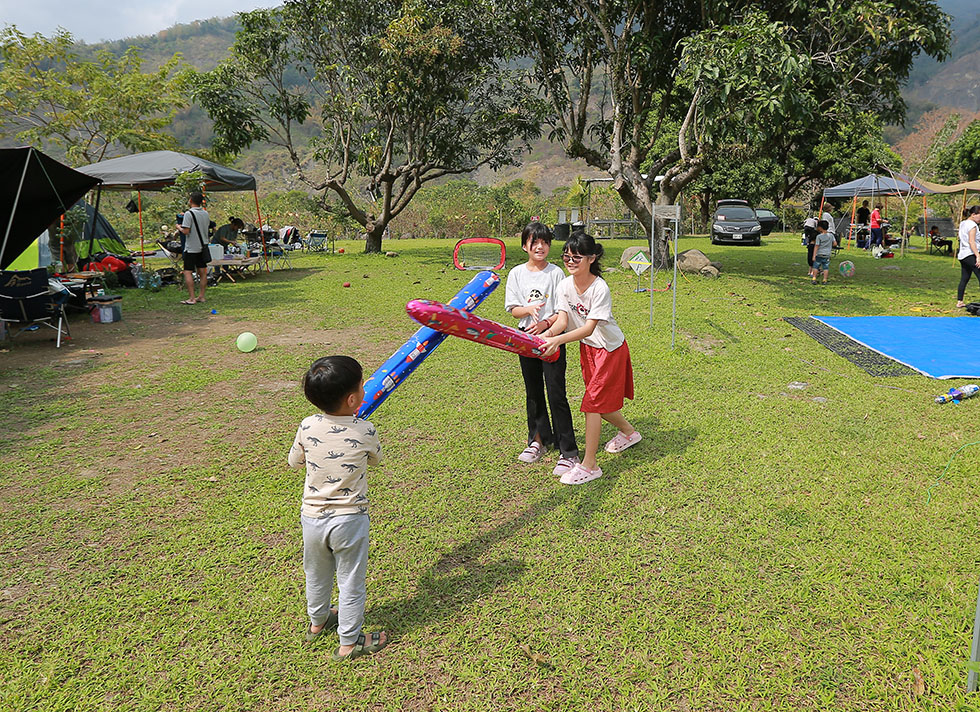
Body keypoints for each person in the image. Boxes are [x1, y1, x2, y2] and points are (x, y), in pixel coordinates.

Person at [288, 355, 388, 661]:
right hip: (349, 520)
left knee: (316, 574)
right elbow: (376, 459)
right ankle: (348, 642)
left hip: (312, 519)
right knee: (350, 580)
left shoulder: (306, 426)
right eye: (362, 383)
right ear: (352, 398)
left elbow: (294, 461)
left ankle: (318, 623)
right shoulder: (365, 430)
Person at [540, 231, 639, 485]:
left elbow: (588, 328)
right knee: (600, 405)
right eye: (567, 256)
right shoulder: (564, 285)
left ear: (591, 258)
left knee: (592, 404)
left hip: (610, 350)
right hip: (589, 350)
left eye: (577, 257)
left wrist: (558, 340)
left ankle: (590, 465)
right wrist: (547, 336)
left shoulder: (599, 288)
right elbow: (563, 320)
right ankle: (629, 433)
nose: (570, 261)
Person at [504, 222, 579, 475]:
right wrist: (528, 310)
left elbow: (562, 312)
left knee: (556, 392)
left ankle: (568, 451)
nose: (540, 247)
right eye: (534, 242)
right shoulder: (516, 273)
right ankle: (537, 440)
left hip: (552, 338)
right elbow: (514, 310)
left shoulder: (556, 273)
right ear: (525, 245)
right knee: (533, 391)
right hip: (526, 338)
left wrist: (548, 332)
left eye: (545, 242)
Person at [177, 191, 210, 304]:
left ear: (190, 200)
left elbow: (186, 231)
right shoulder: (205, 213)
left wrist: (179, 227)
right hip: (203, 246)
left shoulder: (189, 214)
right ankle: (201, 296)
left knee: (187, 272)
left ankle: (192, 298)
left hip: (191, 248)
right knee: (202, 272)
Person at [955, 206, 980, 308]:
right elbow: (971, 241)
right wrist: (978, 256)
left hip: (963, 255)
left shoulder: (963, 223)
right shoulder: (972, 225)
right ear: (973, 215)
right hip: (970, 254)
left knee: (965, 278)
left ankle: (959, 301)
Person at [812, 220, 838, 285]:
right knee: (825, 267)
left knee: (816, 266)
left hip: (819, 254)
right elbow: (835, 244)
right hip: (827, 254)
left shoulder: (819, 236)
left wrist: (814, 255)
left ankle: (814, 278)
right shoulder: (831, 235)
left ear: (820, 227)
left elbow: (816, 246)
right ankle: (824, 280)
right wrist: (829, 245)